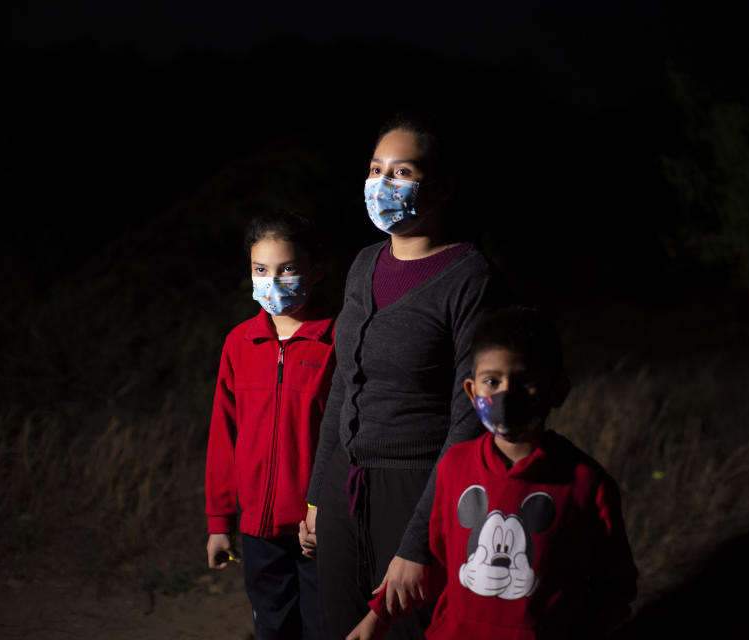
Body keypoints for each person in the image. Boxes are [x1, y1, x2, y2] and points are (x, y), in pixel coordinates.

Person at [298, 115, 503, 639]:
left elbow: (469, 421)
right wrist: (319, 495)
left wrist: (419, 542)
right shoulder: (365, 264)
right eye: (374, 170)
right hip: (345, 486)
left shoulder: (469, 278)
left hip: (415, 489)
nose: (382, 185)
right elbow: (343, 384)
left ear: (443, 187)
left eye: (401, 171)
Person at [348, 307, 639, 639]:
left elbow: (615, 587)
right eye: (492, 381)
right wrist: (378, 618)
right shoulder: (455, 466)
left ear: (557, 389)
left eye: (525, 381)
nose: (505, 395)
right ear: (472, 392)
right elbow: (437, 563)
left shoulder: (586, 483)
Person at [205, 212, 335, 640]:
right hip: (258, 527)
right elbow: (224, 437)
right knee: (273, 629)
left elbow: (345, 437)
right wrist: (220, 522)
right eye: (261, 270)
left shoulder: (336, 339)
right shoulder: (239, 342)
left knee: (323, 628)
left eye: (288, 269)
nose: (273, 280)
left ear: (314, 272)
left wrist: (327, 510)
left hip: (318, 528)